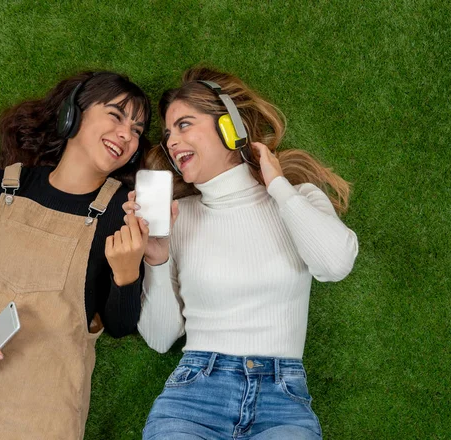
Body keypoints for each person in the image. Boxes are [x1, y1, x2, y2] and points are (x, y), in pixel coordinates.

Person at [124, 67, 359, 439]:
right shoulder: (178, 218)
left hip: (282, 402)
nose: (171, 142)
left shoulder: (299, 199)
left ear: (231, 126)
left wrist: (278, 185)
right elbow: (160, 337)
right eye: (168, 134)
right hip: (193, 398)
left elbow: (335, 264)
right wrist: (156, 257)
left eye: (184, 125)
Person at [0, 71, 151, 439]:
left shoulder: (123, 212)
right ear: (72, 115)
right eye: (116, 116)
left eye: (137, 129)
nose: (127, 135)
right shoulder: (2, 187)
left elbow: (120, 326)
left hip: (48, 413)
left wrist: (127, 273)